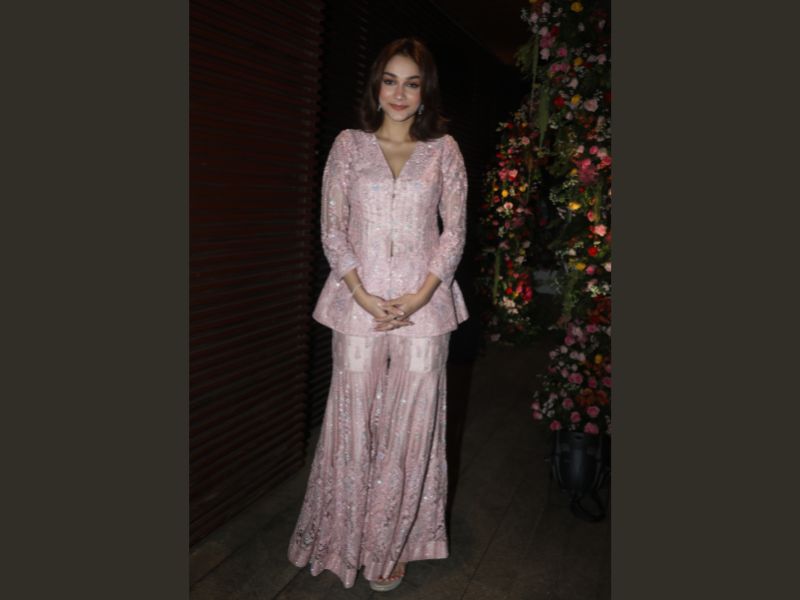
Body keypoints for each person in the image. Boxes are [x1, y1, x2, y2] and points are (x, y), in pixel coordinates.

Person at [287, 37, 468, 592]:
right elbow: (332, 228)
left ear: (425, 91)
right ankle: (344, 537)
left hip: (425, 311)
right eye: (390, 80)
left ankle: (392, 543)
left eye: (412, 83)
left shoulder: (444, 151)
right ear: (376, 86)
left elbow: (454, 233)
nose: (400, 93)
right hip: (356, 306)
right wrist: (363, 295)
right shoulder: (349, 146)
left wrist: (419, 296)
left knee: (411, 428)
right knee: (352, 421)